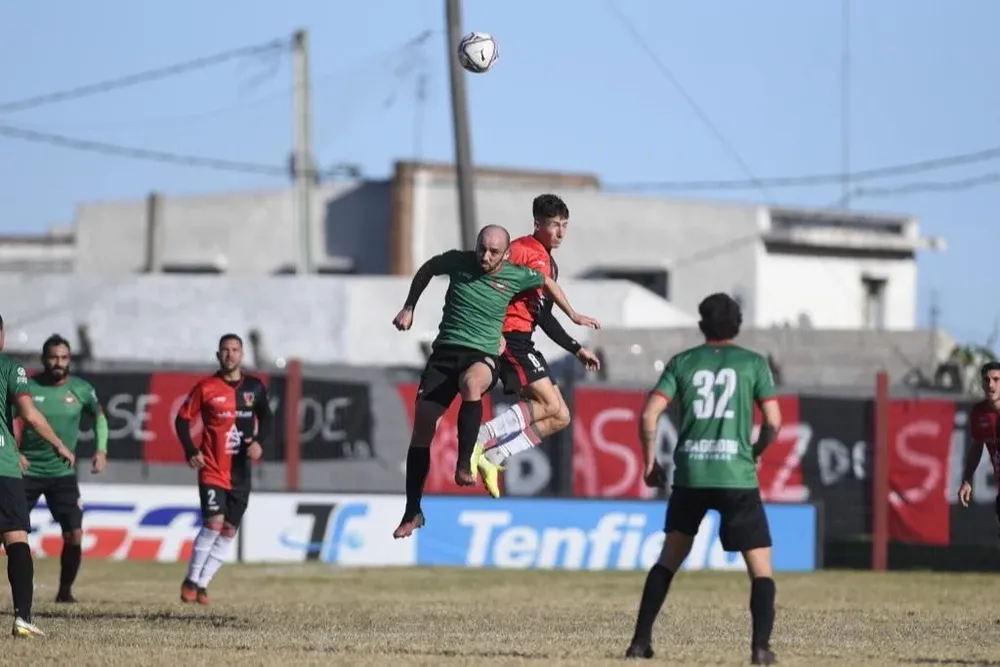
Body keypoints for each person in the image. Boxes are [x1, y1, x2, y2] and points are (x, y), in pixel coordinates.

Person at [391, 224, 600, 539]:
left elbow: (545, 282)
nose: (485, 257)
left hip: (484, 356)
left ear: (505, 255)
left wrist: (573, 314)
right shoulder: (459, 262)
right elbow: (427, 270)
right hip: (445, 354)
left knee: (473, 384)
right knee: (423, 425)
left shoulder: (517, 274)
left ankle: (466, 462)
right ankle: (413, 511)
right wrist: (409, 307)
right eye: (481, 249)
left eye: (493, 252)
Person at [624, 293, 782, 665]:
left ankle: (638, 643)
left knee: (668, 560)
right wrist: (754, 453)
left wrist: (650, 463)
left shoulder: (683, 362)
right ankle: (760, 648)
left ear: (701, 325)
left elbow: (650, 415)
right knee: (760, 569)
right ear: (737, 325)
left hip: (691, 474)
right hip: (737, 476)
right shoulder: (753, 364)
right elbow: (773, 422)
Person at [472, 194, 601, 498]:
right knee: (550, 405)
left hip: (522, 338)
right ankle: (481, 435)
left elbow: (542, 314)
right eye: (554, 224)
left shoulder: (544, 259)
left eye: (564, 225)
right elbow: (488, 284)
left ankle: (495, 456)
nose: (560, 231)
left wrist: (575, 348)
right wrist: (491, 328)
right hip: (510, 338)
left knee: (561, 416)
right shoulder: (525, 251)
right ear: (537, 224)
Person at [174, 333, 272, 605]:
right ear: (218, 355)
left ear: (242, 354)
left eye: (235, 350)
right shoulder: (206, 387)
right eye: (225, 350)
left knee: (229, 529)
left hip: (240, 472)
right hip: (212, 468)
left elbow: (268, 419)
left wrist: (259, 443)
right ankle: (191, 580)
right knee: (213, 523)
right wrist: (191, 450)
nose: (230, 354)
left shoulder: (254, 387)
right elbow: (182, 421)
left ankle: (203, 584)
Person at [16, 334, 108, 603]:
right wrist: (13, 451)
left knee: (74, 534)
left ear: (69, 360)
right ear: (44, 359)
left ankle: (65, 591)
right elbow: (5, 419)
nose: (58, 362)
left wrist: (101, 450)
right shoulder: (27, 387)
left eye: (64, 357)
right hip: (26, 471)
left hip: (62, 474)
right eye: (54, 357)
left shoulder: (81, 388)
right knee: (9, 531)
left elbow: (99, 417)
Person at [0, 316, 75, 637]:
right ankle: (22, 619)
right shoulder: (9, 367)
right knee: (16, 536)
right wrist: (58, 443)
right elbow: (28, 414)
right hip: (2, 466)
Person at [957, 361, 1000, 528]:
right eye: (987, 380)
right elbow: (977, 446)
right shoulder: (979, 412)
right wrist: (967, 480)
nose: (991, 385)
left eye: (996, 380)